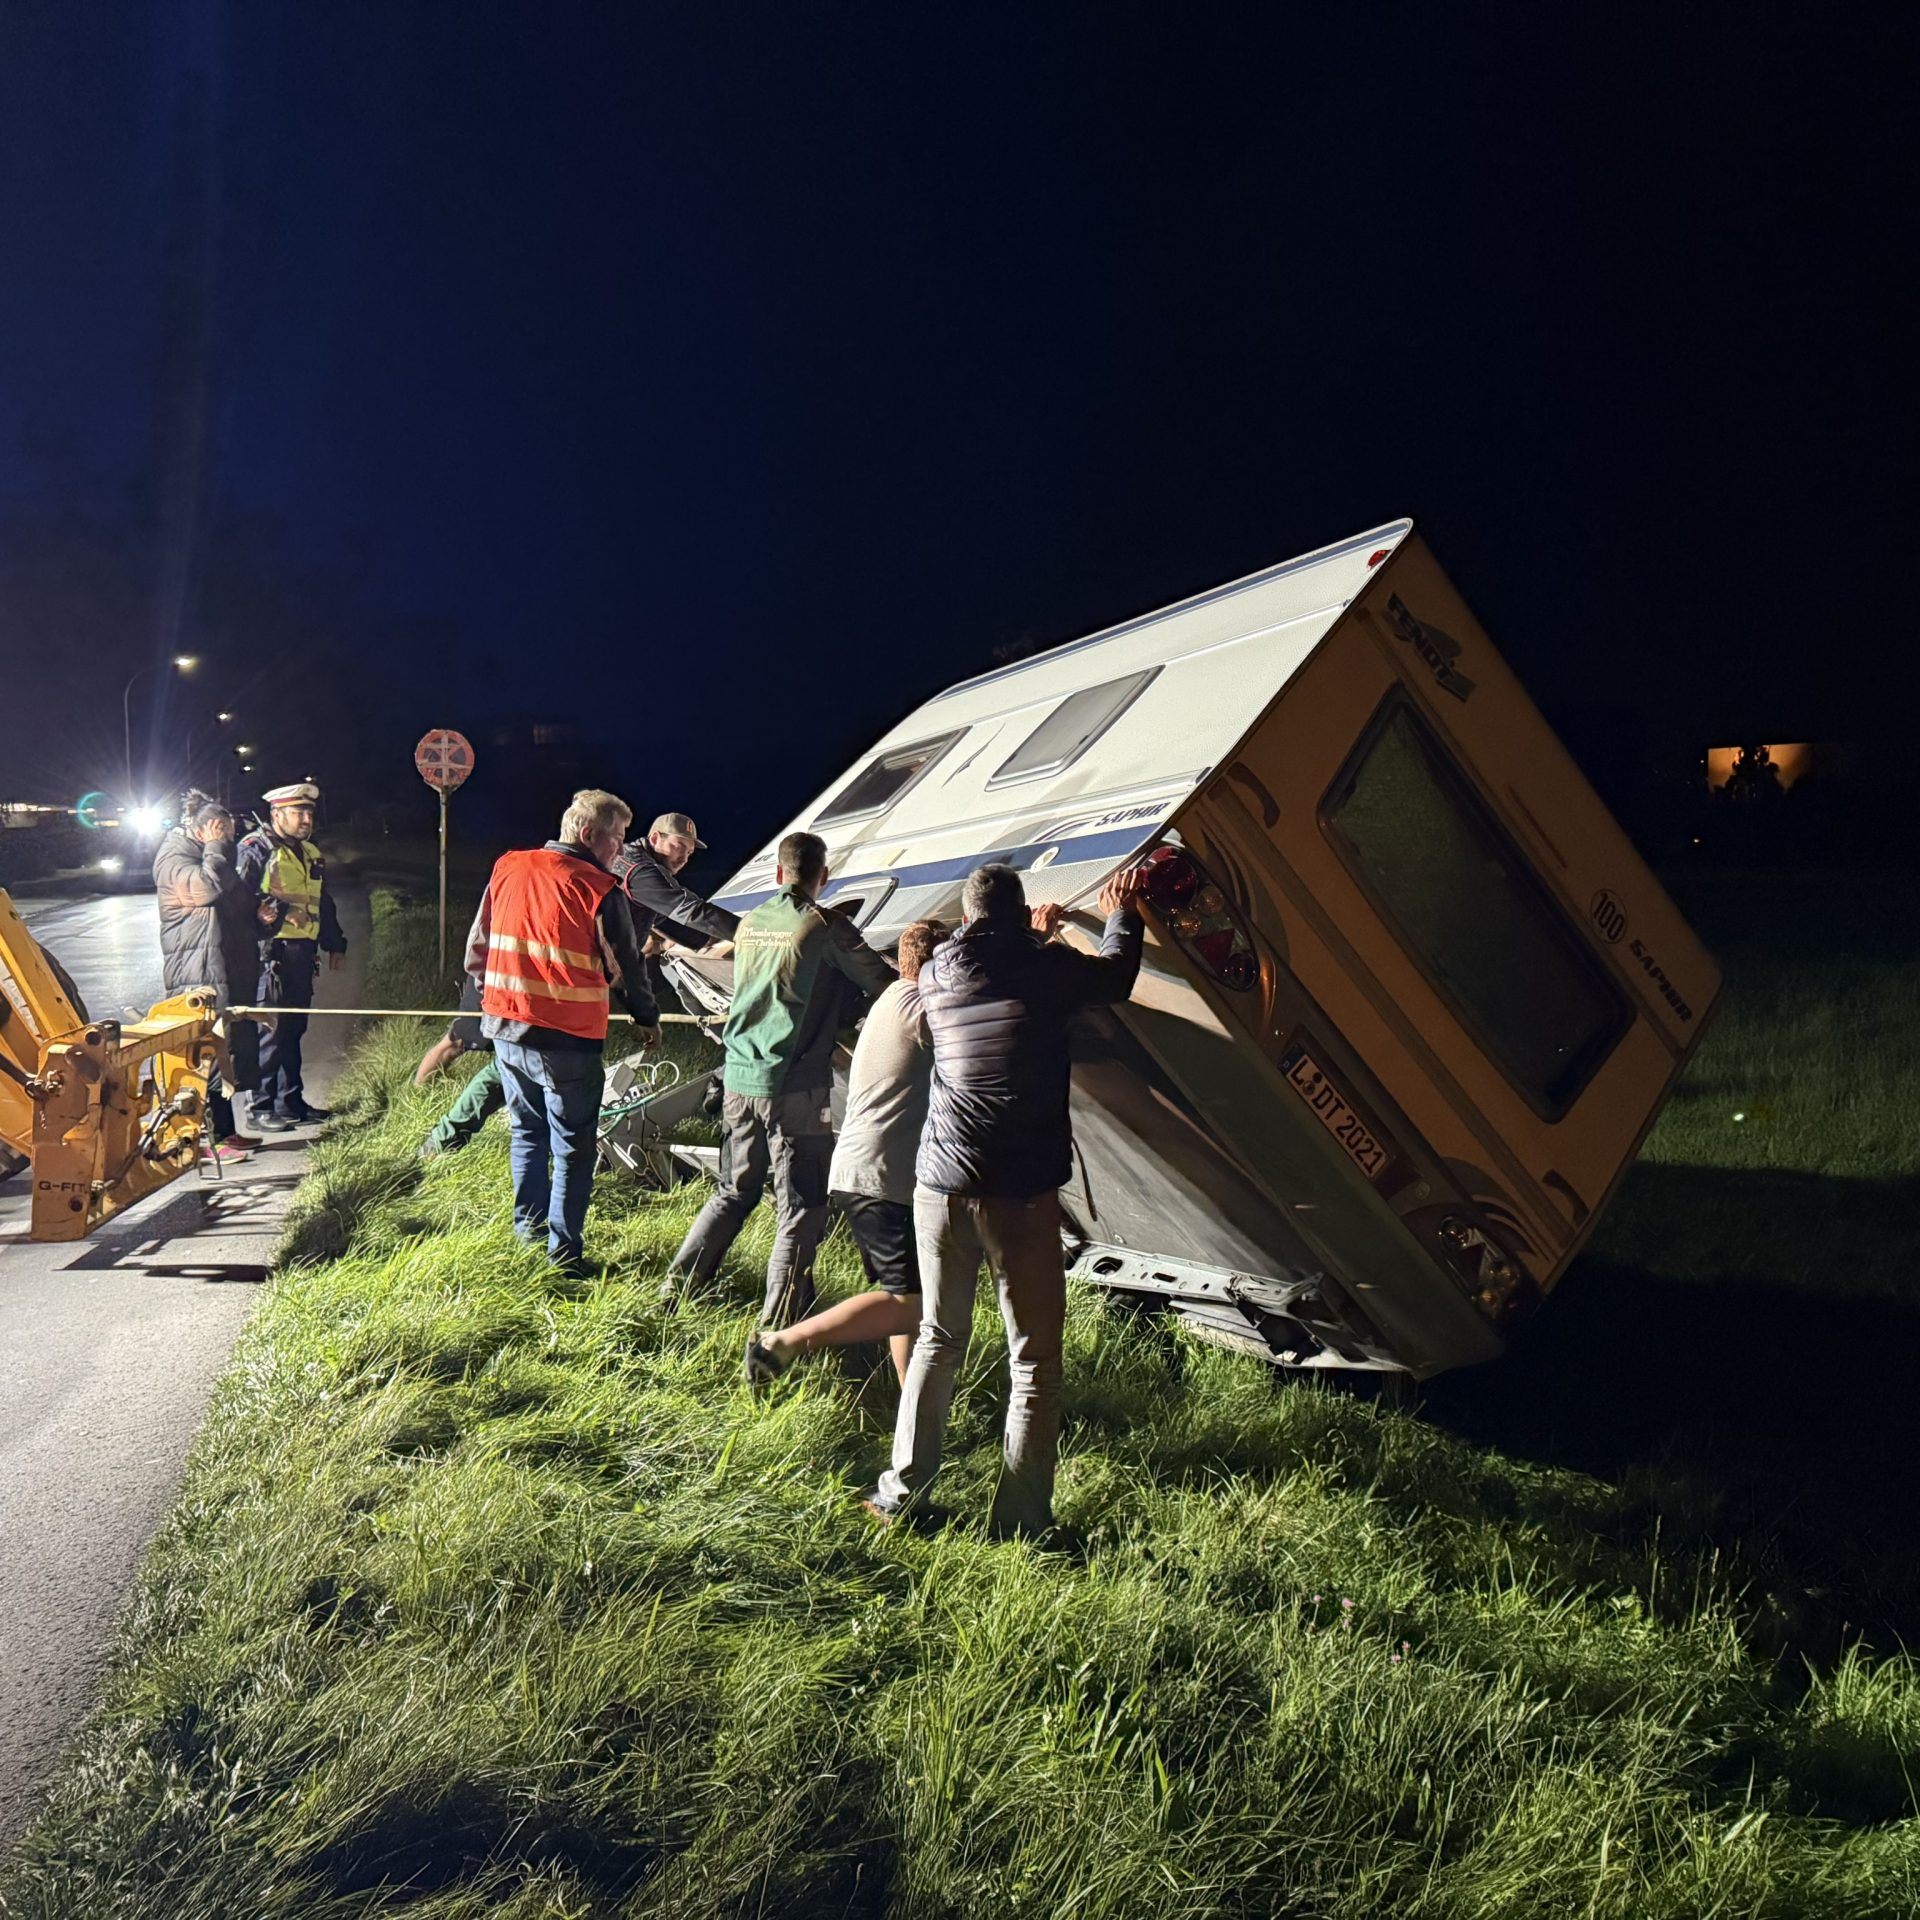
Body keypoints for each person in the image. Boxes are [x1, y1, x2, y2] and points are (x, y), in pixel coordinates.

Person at [866, 861, 1146, 1539]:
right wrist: (1123, 916)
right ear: (1021, 916)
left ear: (966, 918)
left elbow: (997, 970)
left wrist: (1034, 938)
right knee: (1035, 1362)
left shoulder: (934, 972)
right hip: (1017, 1193)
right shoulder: (1046, 969)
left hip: (939, 1185)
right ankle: (1020, 1524)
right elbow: (1115, 977)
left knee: (937, 1338)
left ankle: (900, 1496)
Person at [667, 829, 894, 1325]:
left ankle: (674, 1293)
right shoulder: (826, 925)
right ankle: (777, 1329)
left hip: (738, 1078)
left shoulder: (751, 923)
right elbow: (884, 983)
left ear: (777, 873)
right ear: (824, 876)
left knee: (734, 1191)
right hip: (795, 1087)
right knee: (803, 1206)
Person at [742, 918, 949, 1390]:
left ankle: (909, 1402)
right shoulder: (920, 1008)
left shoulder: (893, 998)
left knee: (904, 1297)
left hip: (868, 1171)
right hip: (882, 1177)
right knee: (911, 1305)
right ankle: (781, 1344)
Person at [469, 788, 660, 1272]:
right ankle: (564, 1259)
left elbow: (479, 944)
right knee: (572, 1149)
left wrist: (491, 994)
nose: (620, 849)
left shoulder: (508, 866)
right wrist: (646, 1017)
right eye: (616, 839)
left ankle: (527, 1237)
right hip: (566, 1040)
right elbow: (628, 966)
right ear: (587, 833)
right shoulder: (598, 888)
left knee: (526, 1134)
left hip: (505, 1027)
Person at [151, 791, 262, 1163]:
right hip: (195, 973)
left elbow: (237, 902)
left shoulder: (209, 855)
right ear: (205, 830)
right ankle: (205, 1140)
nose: (228, 840)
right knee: (204, 1057)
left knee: (223, 1052)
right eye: (223, 833)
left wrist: (263, 914)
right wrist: (215, 848)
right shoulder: (173, 858)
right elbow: (204, 889)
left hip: (222, 968)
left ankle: (227, 1132)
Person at [236, 780, 347, 1131]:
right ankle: (260, 1107)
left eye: (309, 813)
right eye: (298, 812)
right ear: (276, 814)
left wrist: (335, 942)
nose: (305, 819)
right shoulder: (256, 848)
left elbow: (322, 902)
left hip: (302, 954)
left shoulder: (310, 853)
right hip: (271, 955)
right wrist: (257, 911)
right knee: (270, 1031)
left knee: (294, 1030)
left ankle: (290, 1101)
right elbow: (237, 897)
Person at [610, 811, 740, 953]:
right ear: (654, 839)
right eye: (679, 847)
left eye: (689, 853)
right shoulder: (639, 870)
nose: (684, 859)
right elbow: (690, 908)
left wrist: (705, 939)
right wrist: (748, 930)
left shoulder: (632, 862)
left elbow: (662, 919)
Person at [415, 976, 501, 1159]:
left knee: (504, 1067)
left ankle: (438, 1141)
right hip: (493, 985)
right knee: (457, 1042)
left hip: (500, 984)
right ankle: (417, 1100)